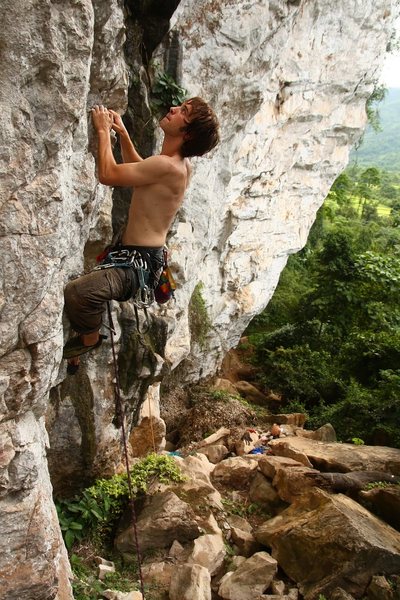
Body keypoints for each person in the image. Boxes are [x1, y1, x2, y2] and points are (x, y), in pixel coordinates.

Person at [63, 98, 219, 371]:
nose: (173, 109)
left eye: (183, 112)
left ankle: (89, 337)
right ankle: (79, 342)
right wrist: (122, 134)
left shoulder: (168, 166)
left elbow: (109, 174)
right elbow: (142, 172)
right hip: (140, 257)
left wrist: (102, 132)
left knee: (79, 292)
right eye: (180, 106)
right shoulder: (174, 165)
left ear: (188, 133)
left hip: (135, 267)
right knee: (87, 287)